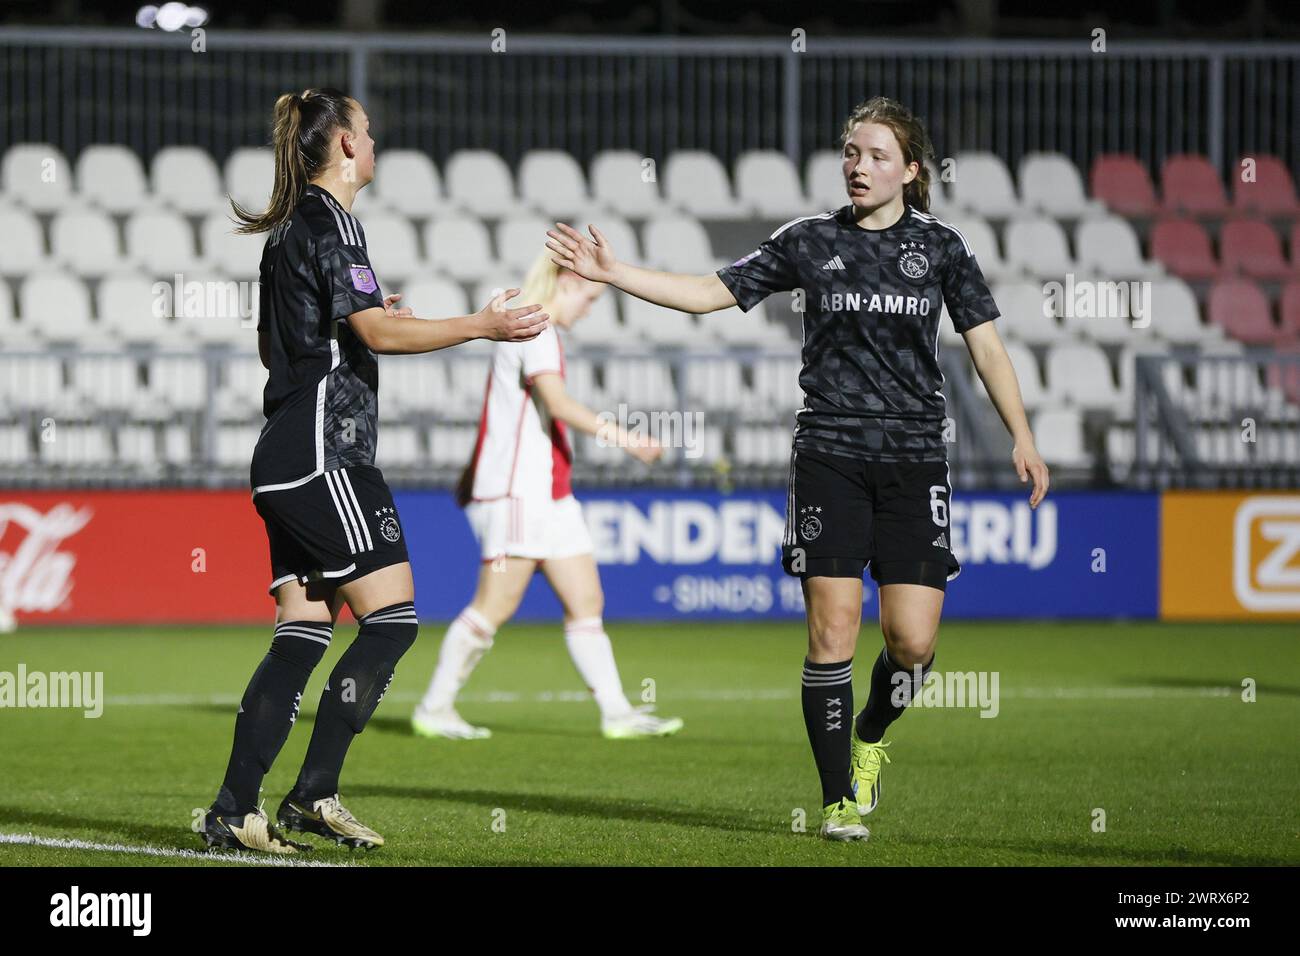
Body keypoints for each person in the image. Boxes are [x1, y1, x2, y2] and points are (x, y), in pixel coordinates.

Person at [546, 96, 1050, 841]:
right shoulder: (808, 240)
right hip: (830, 457)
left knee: (911, 644)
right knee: (833, 630)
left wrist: (1023, 436)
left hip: (915, 460)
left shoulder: (943, 249)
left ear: (912, 170)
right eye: (851, 152)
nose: (858, 165)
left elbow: (987, 347)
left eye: (877, 155)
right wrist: (615, 272)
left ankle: (871, 737)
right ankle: (837, 796)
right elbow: (708, 295)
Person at [201, 87, 548, 855]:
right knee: (391, 622)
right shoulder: (334, 221)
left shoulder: (293, 229)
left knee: (303, 632)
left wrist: (360, 324)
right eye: (367, 129)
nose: (376, 138)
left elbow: (287, 346)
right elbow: (378, 335)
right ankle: (312, 792)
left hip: (287, 454)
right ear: (346, 147)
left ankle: (234, 809)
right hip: (328, 454)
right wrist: (483, 325)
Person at [412, 252, 684, 740]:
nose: (590, 308)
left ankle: (618, 714)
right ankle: (435, 706)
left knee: (587, 600)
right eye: (590, 296)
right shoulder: (535, 328)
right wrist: (629, 439)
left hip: (550, 493)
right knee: (493, 606)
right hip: (520, 494)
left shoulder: (533, 328)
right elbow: (555, 404)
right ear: (566, 280)